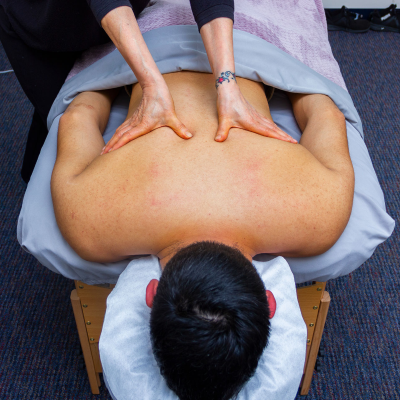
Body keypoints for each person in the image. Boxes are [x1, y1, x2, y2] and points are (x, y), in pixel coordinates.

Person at [50, 69, 354, 398]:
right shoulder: (89, 224)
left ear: (269, 302)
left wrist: (269, 69)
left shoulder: (319, 215)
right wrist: (118, 74)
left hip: (237, 59)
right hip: (153, 57)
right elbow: (79, 116)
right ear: (151, 295)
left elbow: (324, 110)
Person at [2, 0, 288, 183]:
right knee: (56, 117)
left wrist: (227, 85)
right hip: (41, 23)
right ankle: (33, 183)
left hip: (113, 16)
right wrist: (152, 86)